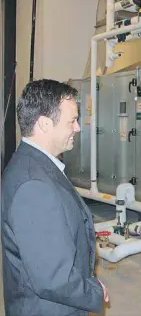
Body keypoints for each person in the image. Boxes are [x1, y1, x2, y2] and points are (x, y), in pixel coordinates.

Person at [1, 79, 109, 316]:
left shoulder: (35, 166)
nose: (78, 128)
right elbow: (53, 278)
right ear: (44, 124)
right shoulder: (34, 184)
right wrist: (94, 292)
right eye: (72, 121)